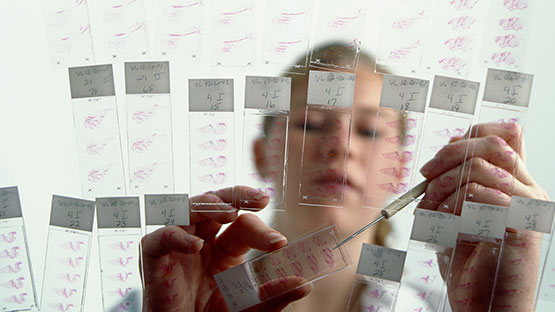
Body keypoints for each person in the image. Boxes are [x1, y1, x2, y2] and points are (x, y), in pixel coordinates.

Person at [140, 45, 550, 312]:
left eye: (370, 131)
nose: (341, 147)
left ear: (399, 172)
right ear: (263, 154)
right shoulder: (162, 304)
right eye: (313, 124)